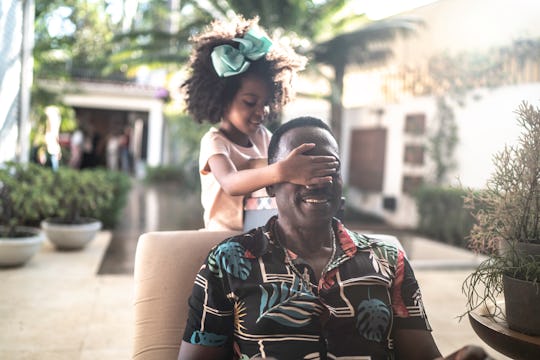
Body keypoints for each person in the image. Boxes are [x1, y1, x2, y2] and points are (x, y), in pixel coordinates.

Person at [178, 117, 492, 360]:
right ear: (271, 185)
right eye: (302, 169)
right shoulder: (228, 262)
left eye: (331, 168)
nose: (319, 181)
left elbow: (422, 355)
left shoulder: (387, 258)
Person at [182, 16, 338, 231]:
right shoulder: (215, 141)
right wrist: (282, 170)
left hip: (258, 232)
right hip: (221, 237)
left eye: (265, 104)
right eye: (249, 102)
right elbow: (230, 182)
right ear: (223, 99)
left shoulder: (264, 137)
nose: (260, 111)